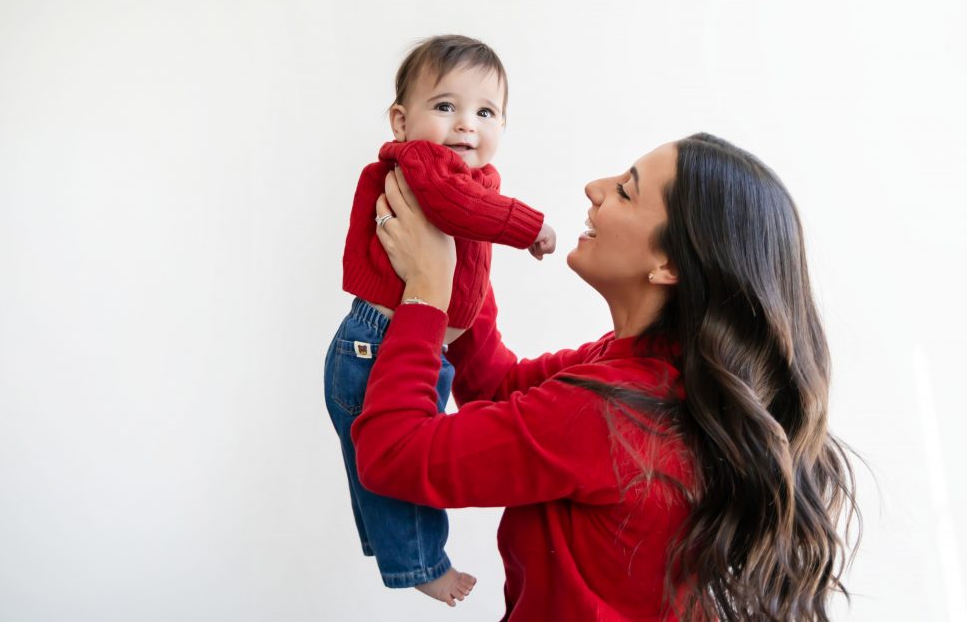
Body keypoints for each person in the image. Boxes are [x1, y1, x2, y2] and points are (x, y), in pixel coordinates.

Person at [353, 133, 859, 621]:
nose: (594, 188)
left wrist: (424, 294)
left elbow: (393, 454)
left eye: (625, 190)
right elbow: (495, 387)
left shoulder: (610, 412)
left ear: (668, 264)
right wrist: (464, 254)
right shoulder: (652, 372)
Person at [324, 35, 556, 607]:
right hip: (374, 346)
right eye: (445, 107)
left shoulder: (476, 181)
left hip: (409, 347)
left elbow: (471, 278)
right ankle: (420, 565)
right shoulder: (424, 166)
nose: (465, 126)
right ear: (401, 121)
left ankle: (395, 547)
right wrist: (529, 227)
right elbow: (457, 209)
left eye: (486, 112)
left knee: (379, 473)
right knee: (391, 471)